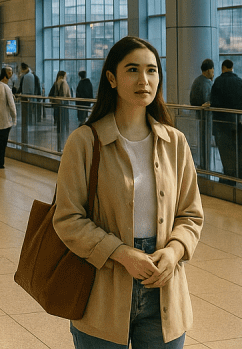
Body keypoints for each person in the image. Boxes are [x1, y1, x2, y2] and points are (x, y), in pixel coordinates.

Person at [54, 36, 203, 349]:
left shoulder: (174, 143)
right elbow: (67, 217)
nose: (143, 80)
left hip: (164, 288)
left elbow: (191, 214)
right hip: (102, 287)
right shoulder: (84, 142)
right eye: (132, 70)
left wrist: (174, 251)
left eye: (151, 71)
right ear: (111, 77)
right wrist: (122, 253)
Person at [208, 59, 242, 184]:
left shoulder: (218, 82)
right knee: (237, 149)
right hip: (238, 122)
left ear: (223, 68)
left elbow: (214, 103)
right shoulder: (240, 82)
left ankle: (228, 175)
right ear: (232, 68)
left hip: (221, 123)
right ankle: (239, 175)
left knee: (225, 151)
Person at [48, 70, 73, 138]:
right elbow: (65, 95)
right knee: (64, 122)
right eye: (65, 76)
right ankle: (64, 138)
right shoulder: (64, 83)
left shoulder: (56, 83)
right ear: (62, 76)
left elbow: (50, 94)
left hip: (57, 106)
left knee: (59, 123)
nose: (66, 77)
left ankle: (60, 138)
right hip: (64, 106)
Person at [17, 62, 42, 127]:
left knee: (27, 111)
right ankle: (30, 122)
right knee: (30, 111)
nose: (21, 71)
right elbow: (38, 87)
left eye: (21, 69)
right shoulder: (34, 76)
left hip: (26, 96)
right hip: (32, 96)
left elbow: (21, 87)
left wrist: (16, 94)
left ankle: (28, 123)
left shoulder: (25, 77)